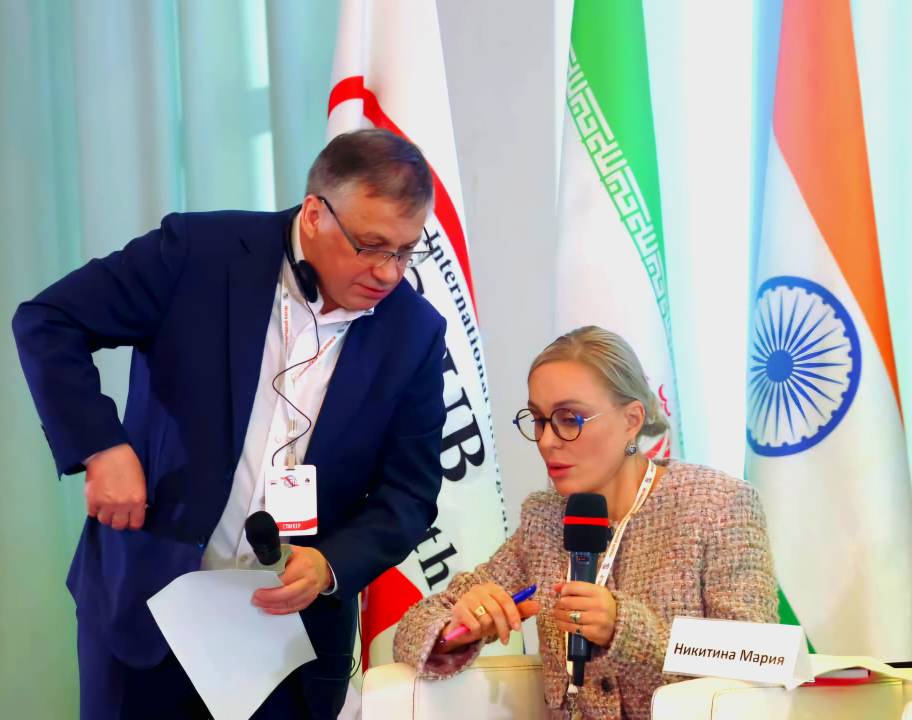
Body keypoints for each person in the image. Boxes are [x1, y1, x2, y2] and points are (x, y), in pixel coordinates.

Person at [12, 129, 447, 719]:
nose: (389, 273)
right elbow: (48, 321)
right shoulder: (199, 252)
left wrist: (332, 565)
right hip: (146, 612)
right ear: (315, 214)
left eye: (405, 250)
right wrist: (100, 446)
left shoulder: (414, 333)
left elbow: (410, 494)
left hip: (287, 647)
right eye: (370, 246)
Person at [393, 326, 778, 720]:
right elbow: (411, 632)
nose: (547, 441)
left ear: (631, 420)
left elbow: (758, 657)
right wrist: (456, 628)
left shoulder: (717, 505)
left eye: (569, 419)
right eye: (539, 420)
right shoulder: (545, 518)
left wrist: (624, 630)